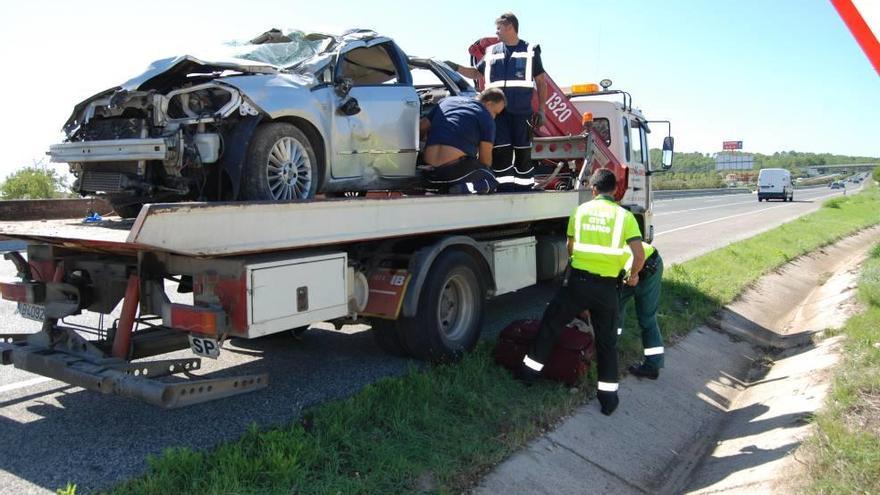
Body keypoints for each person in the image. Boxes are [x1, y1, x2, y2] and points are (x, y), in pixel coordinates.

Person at [519, 169, 645, 416]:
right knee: (607, 342)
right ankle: (608, 400)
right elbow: (638, 254)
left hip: (577, 283)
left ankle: (528, 375)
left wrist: (578, 260)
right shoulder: (624, 216)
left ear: (594, 190)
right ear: (614, 191)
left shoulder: (581, 211)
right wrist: (633, 275)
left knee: (551, 325)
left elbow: (570, 245)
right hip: (608, 288)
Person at [445, 12, 549, 192]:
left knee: (523, 151)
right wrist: (454, 67)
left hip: (521, 112)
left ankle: (524, 189)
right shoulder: (492, 51)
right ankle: (502, 189)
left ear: (510, 27)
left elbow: (541, 81)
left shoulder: (530, 50)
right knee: (500, 151)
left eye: (499, 28)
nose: (496, 32)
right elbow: (476, 73)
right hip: (496, 113)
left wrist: (542, 110)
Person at [419, 88, 506, 194]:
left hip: (429, 172)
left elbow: (422, 127)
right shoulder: (486, 118)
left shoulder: (446, 101)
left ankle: (444, 188)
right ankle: (460, 189)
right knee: (490, 179)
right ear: (488, 104)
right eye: (496, 113)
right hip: (451, 173)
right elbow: (485, 160)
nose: (494, 117)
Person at [618, 241, 665, 379]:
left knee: (645, 317)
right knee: (616, 307)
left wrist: (633, 275)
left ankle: (652, 366)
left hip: (646, 265)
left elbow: (638, 257)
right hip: (642, 264)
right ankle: (610, 346)